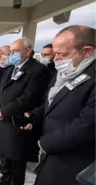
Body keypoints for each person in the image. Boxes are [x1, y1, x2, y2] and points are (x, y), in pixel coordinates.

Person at [28, 25, 96, 185]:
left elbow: (88, 124)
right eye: (54, 53)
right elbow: (53, 104)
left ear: (87, 51)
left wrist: (48, 142)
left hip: (75, 165)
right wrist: (34, 116)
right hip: (51, 158)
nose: (55, 59)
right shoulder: (65, 73)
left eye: (62, 54)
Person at [0, 38, 48, 185]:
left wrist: (4, 111)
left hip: (17, 121)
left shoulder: (37, 69)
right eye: (10, 52)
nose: (11, 54)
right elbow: (0, 90)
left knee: (16, 160)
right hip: (3, 119)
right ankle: (5, 177)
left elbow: (29, 97)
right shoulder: (11, 68)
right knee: (3, 153)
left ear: (27, 51)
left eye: (14, 51)